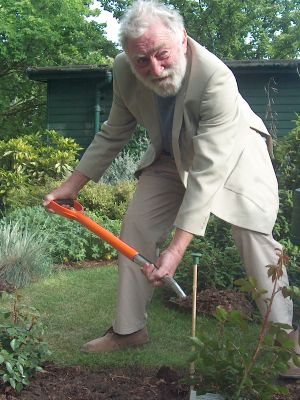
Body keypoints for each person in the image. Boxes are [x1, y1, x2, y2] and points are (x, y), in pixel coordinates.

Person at [44, 0, 300, 378]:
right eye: (142, 61)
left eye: (161, 55)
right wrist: (70, 186)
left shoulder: (215, 77)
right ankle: (129, 330)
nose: (155, 68)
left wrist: (177, 249)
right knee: (137, 226)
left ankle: (283, 338)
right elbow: (114, 130)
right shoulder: (124, 70)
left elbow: (208, 173)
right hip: (171, 154)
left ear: (181, 40)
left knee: (251, 230)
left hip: (233, 152)